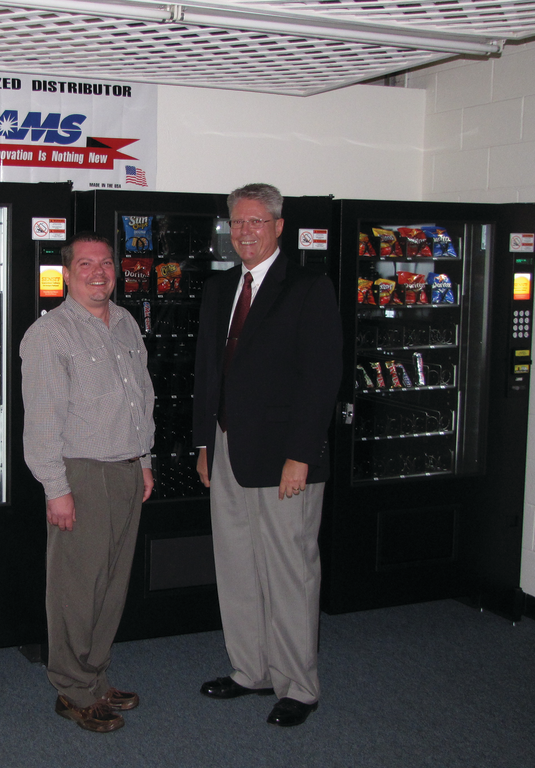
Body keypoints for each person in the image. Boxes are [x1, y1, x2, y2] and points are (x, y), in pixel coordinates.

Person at [193, 183, 342, 728]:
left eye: (256, 222)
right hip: (229, 447)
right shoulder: (219, 289)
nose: (245, 232)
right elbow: (208, 375)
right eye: (237, 223)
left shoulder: (308, 287)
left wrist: (302, 455)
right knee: (235, 564)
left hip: (285, 456)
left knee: (290, 569)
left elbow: (321, 378)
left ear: (279, 226)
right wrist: (206, 443)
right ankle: (249, 670)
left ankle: (298, 686)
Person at [20, 231, 155, 734]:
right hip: (81, 472)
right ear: (68, 273)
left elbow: (143, 395)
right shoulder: (50, 334)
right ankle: (72, 691)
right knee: (76, 589)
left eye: (105, 264)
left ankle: (95, 678)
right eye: (86, 265)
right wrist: (56, 488)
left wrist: (144, 458)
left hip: (125, 469)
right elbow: (43, 421)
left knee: (111, 585)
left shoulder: (124, 324)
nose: (98, 273)